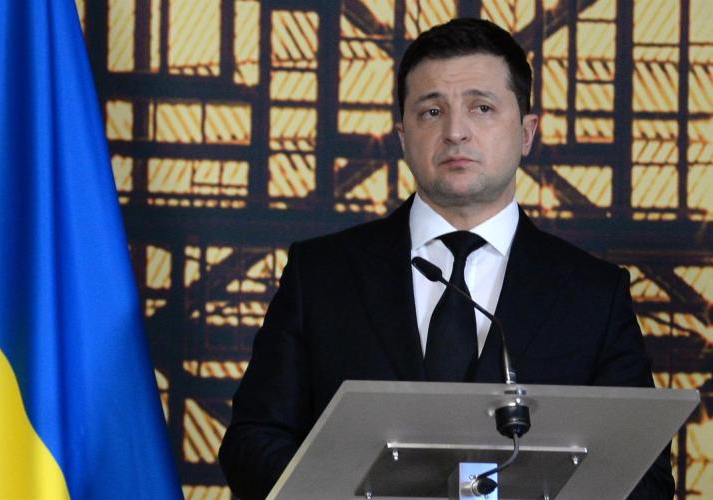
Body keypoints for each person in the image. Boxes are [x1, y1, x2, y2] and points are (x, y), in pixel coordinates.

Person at [219, 18, 673, 499]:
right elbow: (253, 443)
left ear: (526, 132)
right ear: (402, 136)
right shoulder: (321, 274)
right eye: (431, 111)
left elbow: (645, 475)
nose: (455, 132)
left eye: (482, 108)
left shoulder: (593, 293)